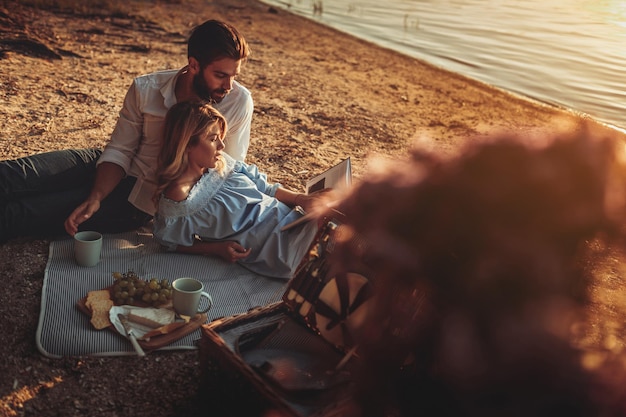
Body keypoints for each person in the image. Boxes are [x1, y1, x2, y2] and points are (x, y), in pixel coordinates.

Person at [0, 19, 253, 243]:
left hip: (137, 201)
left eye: (234, 75)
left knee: (20, 213)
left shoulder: (238, 102)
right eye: (220, 75)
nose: (229, 86)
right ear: (194, 65)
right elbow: (120, 150)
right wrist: (97, 195)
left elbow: (225, 172)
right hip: (106, 164)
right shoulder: (146, 88)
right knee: (12, 175)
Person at [152, 100, 327, 279]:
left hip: (296, 220)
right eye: (212, 139)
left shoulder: (220, 162)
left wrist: (301, 199)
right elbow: (168, 242)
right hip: (282, 250)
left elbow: (266, 188)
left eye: (220, 137)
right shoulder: (180, 197)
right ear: (187, 144)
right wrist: (216, 249)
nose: (222, 145)